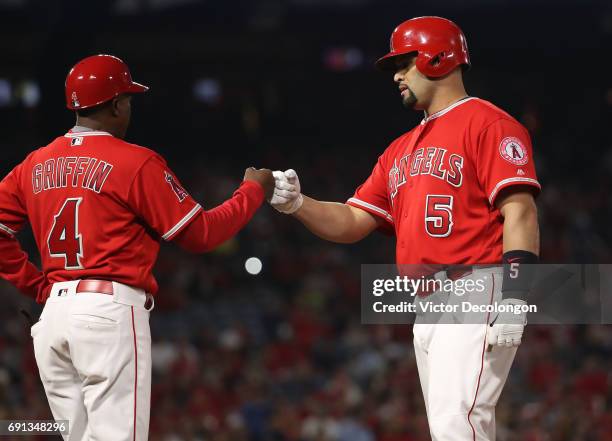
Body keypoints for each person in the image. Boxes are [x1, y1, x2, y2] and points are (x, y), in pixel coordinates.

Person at [270, 17, 540, 440]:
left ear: (437, 56)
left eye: (403, 62)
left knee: (458, 423)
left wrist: (517, 299)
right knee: (452, 426)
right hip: (428, 299)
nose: (396, 75)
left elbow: (519, 213)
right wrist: (299, 205)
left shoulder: (489, 124)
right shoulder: (399, 150)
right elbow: (353, 220)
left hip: (475, 285)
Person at [0, 54, 274, 441]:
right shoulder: (135, 162)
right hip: (107, 313)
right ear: (115, 104)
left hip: (52, 317)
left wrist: (37, 285)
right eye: (127, 100)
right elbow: (201, 234)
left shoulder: (33, 164)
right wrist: (252, 191)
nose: (129, 107)